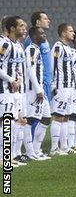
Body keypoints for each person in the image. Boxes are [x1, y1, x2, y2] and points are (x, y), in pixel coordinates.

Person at [0, 16, 28, 166]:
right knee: (6, 123)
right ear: (11, 28)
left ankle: (8, 156)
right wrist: (11, 80)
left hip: (14, 91)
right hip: (3, 90)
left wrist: (19, 81)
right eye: (21, 26)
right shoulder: (4, 44)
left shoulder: (17, 45)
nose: (24, 28)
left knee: (12, 123)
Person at [23, 26, 52, 160]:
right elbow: (30, 70)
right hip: (32, 91)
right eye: (41, 33)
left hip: (40, 90)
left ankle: (36, 149)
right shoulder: (31, 49)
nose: (44, 35)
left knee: (46, 118)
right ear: (34, 36)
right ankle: (30, 153)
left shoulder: (37, 49)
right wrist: (38, 89)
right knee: (29, 120)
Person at [50, 23, 76, 155]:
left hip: (69, 87)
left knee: (66, 117)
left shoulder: (70, 49)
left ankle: (64, 146)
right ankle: (54, 148)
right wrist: (53, 85)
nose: (73, 33)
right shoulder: (57, 46)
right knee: (58, 116)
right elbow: (52, 66)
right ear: (63, 33)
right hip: (60, 87)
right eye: (70, 31)